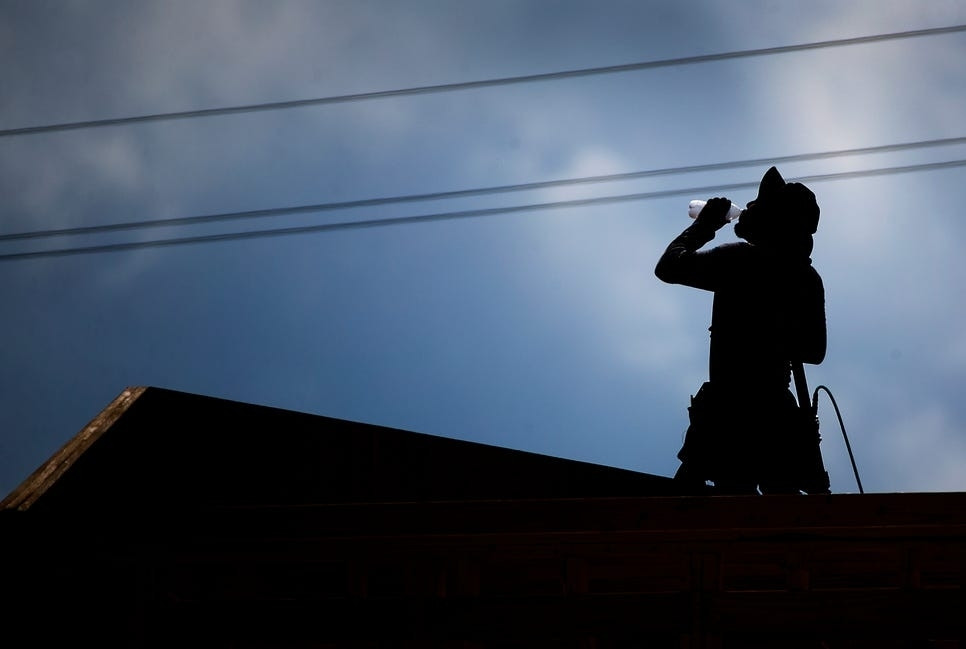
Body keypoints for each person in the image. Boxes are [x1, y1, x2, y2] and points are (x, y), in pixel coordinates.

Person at [654, 167, 827, 494]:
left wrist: (702, 227)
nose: (748, 207)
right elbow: (814, 351)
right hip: (776, 416)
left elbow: (669, 267)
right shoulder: (806, 278)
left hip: (728, 415)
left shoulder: (742, 261)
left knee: (698, 510)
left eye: (759, 205)